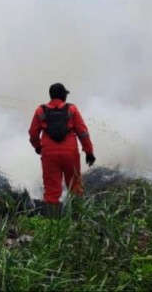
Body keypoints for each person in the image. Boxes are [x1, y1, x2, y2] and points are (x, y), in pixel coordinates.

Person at [29, 83, 96, 215]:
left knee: (51, 190)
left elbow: (32, 133)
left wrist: (37, 147)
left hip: (49, 153)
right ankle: (78, 218)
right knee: (75, 186)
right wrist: (89, 152)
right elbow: (83, 132)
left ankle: (52, 224)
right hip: (70, 152)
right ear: (62, 95)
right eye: (65, 93)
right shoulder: (72, 109)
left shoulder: (40, 110)